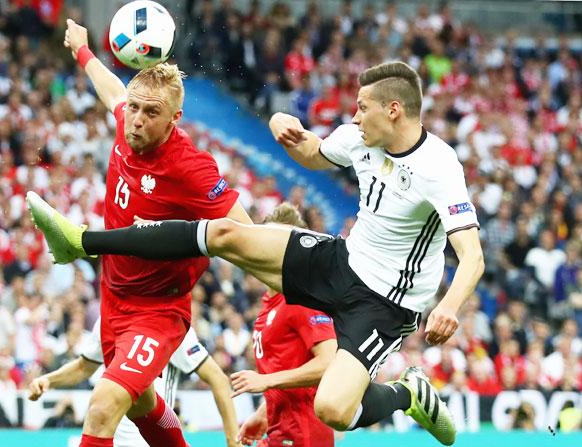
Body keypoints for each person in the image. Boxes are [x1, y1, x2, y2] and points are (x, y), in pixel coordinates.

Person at [27, 61, 485, 445]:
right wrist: (289, 132)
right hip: (341, 260)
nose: (355, 116)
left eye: (362, 108)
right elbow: (315, 153)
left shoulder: (438, 167)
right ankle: (84, 241)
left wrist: (448, 306)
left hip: (384, 302)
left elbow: (472, 256)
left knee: (333, 408)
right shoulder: (360, 137)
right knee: (226, 234)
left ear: (394, 110)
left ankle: (408, 396)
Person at [59, 19, 252, 447]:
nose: (136, 121)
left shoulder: (190, 167)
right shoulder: (124, 121)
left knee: (105, 401)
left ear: (174, 118)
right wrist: (83, 52)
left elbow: (246, 231)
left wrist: (186, 236)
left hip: (158, 311)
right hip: (113, 299)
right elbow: (111, 89)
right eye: (134, 108)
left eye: (151, 113)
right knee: (143, 406)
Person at [28, 319, 239, 447]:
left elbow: (218, 379)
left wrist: (232, 441)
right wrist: (49, 379)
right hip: (110, 439)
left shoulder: (171, 323)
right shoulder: (107, 319)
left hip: (151, 440)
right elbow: (84, 366)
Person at [230, 203, 337, 447]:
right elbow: (287, 368)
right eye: (269, 240)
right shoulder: (270, 302)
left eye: (282, 243)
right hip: (279, 432)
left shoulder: (302, 299)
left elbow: (330, 362)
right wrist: (261, 415)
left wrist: (266, 381)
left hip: (304, 435)